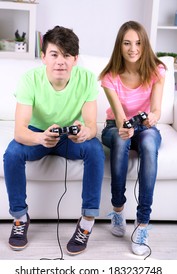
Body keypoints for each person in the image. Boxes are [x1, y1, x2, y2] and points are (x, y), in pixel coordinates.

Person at [3, 25, 105, 255]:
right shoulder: (29, 79)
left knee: (95, 150)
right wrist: (40, 137)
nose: (61, 61)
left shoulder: (87, 78)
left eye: (67, 55)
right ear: (43, 57)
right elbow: (19, 131)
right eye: (54, 54)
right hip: (37, 133)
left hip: (69, 136)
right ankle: (20, 218)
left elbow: (91, 126)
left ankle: (87, 222)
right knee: (12, 153)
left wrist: (84, 132)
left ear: (76, 59)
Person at [99, 21, 166, 256]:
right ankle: (118, 209)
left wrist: (152, 118)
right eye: (127, 43)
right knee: (120, 139)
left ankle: (142, 223)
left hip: (145, 127)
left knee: (148, 142)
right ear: (120, 46)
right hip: (115, 127)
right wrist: (124, 128)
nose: (133, 48)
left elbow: (157, 109)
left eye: (138, 43)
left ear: (144, 44)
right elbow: (118, 118)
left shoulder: (157, 70)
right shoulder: (109, 77)